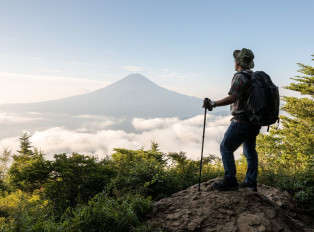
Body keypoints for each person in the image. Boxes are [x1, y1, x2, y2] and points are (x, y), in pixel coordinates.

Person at [203, 48, 261, 192]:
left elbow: (233, 97)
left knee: (226, 148)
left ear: (238, 62)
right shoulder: (253, 76)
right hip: (254, 121)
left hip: (241, 121)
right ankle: (251, 182)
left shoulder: (239, 77)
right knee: (250, 152)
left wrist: (213, 104)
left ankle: (230, 180)